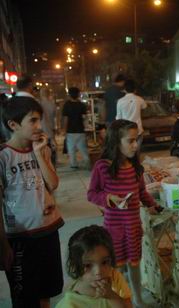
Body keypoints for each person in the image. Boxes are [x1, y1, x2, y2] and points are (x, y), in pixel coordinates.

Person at [87, 119, 161, 308]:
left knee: (134, 264)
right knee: (116, 268)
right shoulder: (103, 167)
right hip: (114, 230)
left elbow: (142, 192)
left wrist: (152, 205)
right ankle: (118, 301)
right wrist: (109, 198)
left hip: (133, 227)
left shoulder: (136, 167)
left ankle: (137, 298)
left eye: (136, 140)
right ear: (115, 142)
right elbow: (92, 194)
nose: (135, 145)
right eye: (130, 141)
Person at [0, 96, 63, 308]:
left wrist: (39, 154)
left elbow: (53, 184)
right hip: (20, 238)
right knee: (25, 298)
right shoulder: (3, 157)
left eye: (40, 120)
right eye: (33, 121)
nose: (39, 126)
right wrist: (3, 245)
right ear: (13, 125)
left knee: (47, 291)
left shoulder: (41, 148)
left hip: (48, 231)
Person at [55, 225, 132, 308]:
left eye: (104, 262)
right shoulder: (70, 303)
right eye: (87, 265)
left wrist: (112, 296)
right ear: (74, 265)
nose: (98, 272)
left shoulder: (114, 277)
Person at [62, 87, 90, 169]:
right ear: (78, 94)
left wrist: (64, 129)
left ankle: (74, 164)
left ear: (69, 95)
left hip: (70, 131)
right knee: (83, 148)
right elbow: (85, 118)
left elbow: (65, 118)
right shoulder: (81, 105)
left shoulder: (67, 105)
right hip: (80, 130)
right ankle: (87, 162)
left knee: (71, 149)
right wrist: (86, 127)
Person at [116, 79, 147, 147]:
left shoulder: (120, 101)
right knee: (137, 151)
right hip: (138, 130)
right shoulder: (140, 99)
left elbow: (118, 118)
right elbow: (144, 107)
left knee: (127, 151)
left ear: (125, 89)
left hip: (126, 131)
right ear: (135, 89)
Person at [39, 88, 57, 166]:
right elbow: (55, 117)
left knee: (43, 149)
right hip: (51, 129)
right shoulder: (52, 104)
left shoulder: (38, 104)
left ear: (41, 94)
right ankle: (53, 164)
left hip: (41, 130)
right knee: (52, 148)